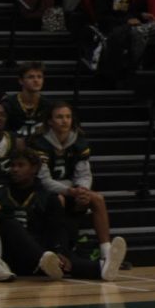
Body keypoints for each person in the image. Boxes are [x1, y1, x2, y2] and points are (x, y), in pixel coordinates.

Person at [28, 102, 129, 280]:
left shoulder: (79, 141)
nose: (64, 121)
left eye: (67, 117)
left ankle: (106, 253)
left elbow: (84, 173)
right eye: (59, 117)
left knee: (97, 198)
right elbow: (44, 181)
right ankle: (59, 248)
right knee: (57, 199)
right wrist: (70, 191)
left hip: (71, 189)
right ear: (50, 121)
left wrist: (82, 190)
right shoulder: (40, 142)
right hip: (46, 192)